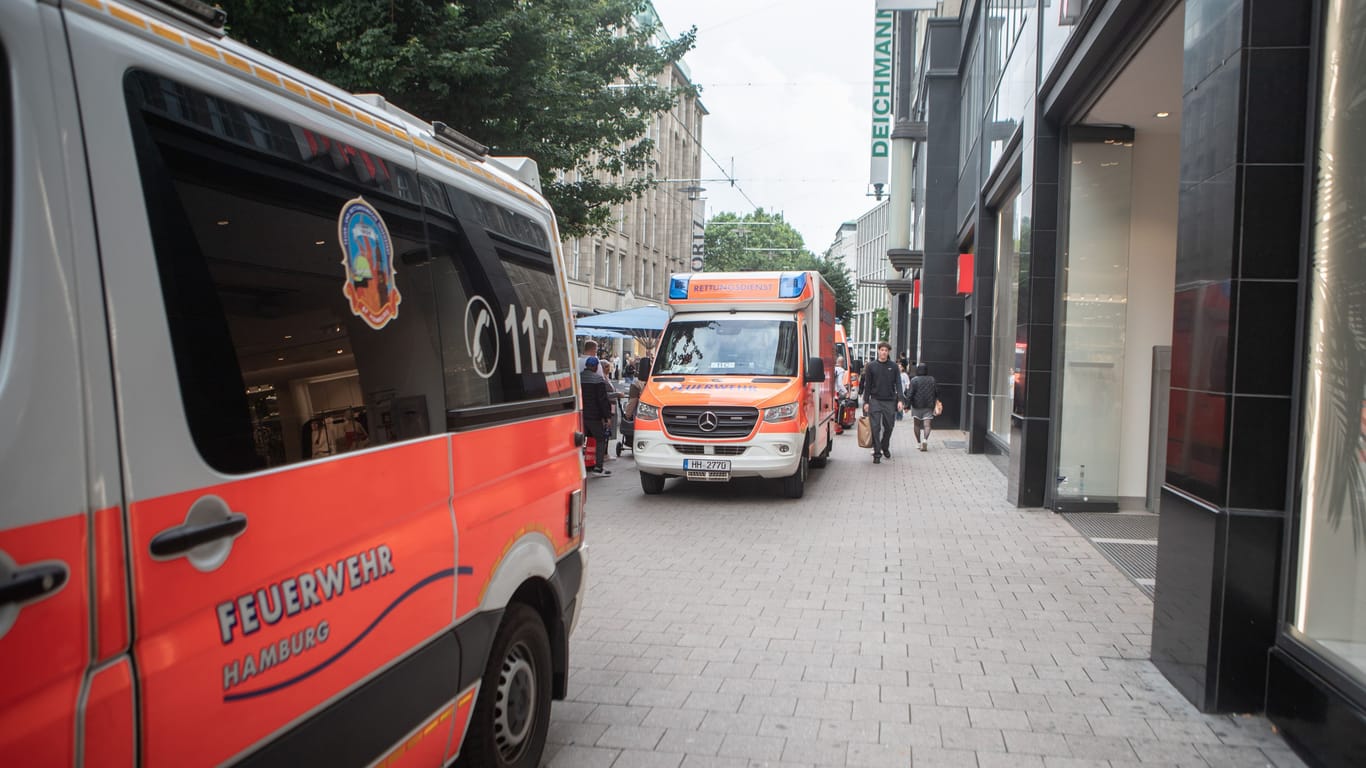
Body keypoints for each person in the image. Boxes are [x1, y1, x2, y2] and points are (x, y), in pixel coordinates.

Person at [859, 341, 903, 463]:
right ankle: (877, 453)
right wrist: (866, 402)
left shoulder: (893, 366)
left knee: (889, 426)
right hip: (875, 400)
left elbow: (898, 383)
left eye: (886, 350)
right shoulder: (871, 366)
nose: (884, 352)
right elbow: (867, 385)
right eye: (882, 350)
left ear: (888, 352)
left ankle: (885, 446)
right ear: (878, 351)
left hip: (889, 400)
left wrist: (900, 399)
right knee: (875, 427)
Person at [580, 356, 613, 475]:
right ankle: (598, 467)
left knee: (579, 441)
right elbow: (602, 400)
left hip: (580, 415)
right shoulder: (598, 379)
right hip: (594, 416)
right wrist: (607, 417)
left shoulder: (579, 378)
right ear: (595, 367)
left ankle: (578, 466)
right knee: (600, 439)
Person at [908, 363, 939, 451]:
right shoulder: (932, 379)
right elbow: (937, 392)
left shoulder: (914, 380)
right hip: (929, 405)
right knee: (927, 425)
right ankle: (925, 440)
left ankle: (918, 443)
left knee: (917, 425)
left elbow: (910, 393)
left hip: (916, 406)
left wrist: (906, 405)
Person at [833, 356, 848, 434]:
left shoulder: (833, 368)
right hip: (835, 393)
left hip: (830, 392)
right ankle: (837, 427)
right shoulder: (841, 370)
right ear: (842, 362)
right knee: (837, 411)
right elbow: (839, 383)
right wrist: (846, 392)